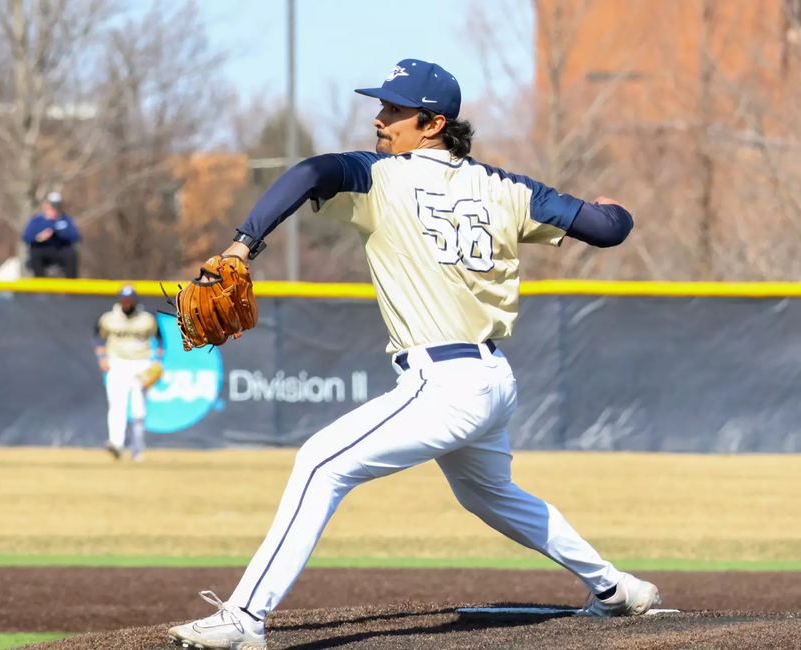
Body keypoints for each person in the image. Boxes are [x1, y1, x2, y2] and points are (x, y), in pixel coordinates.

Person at [167, 59, 658, 649]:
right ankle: (615, 590)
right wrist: (618, 209)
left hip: (444, 383)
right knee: (490, 495)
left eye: (395, 110)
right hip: (491, 379)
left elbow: (309, 172)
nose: (379, 119)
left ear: (433, 123)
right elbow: (606, 229)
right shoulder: (507, 189)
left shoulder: (384, 178)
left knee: (321, 463)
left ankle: (244, 620)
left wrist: (244, 244)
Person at [94, 285, 163, 462]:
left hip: (141, 364)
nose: (126, 303)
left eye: (129, 299)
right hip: (117, 363)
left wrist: (158, 361)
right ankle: (116, 445)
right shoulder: (109, 318)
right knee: (117, 406)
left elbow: (160, 339)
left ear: (135, 300)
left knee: (139, 410)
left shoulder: (146, 318)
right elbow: (97, 335)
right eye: (123, 299)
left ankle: (137, 449)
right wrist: (101, 356)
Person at [22, 191, 81, 278]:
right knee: (35, 254)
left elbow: (75, 236)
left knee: (71, 254)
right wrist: (39, 237)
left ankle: (71, 286)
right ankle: (39, 285)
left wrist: (58, 233)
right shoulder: (37, 221)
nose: (55, 210)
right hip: (42, 249)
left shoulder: (65, 220)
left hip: (60, 249)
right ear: (46, 206)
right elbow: (26, 237)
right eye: (52, 206)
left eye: (57, 206)